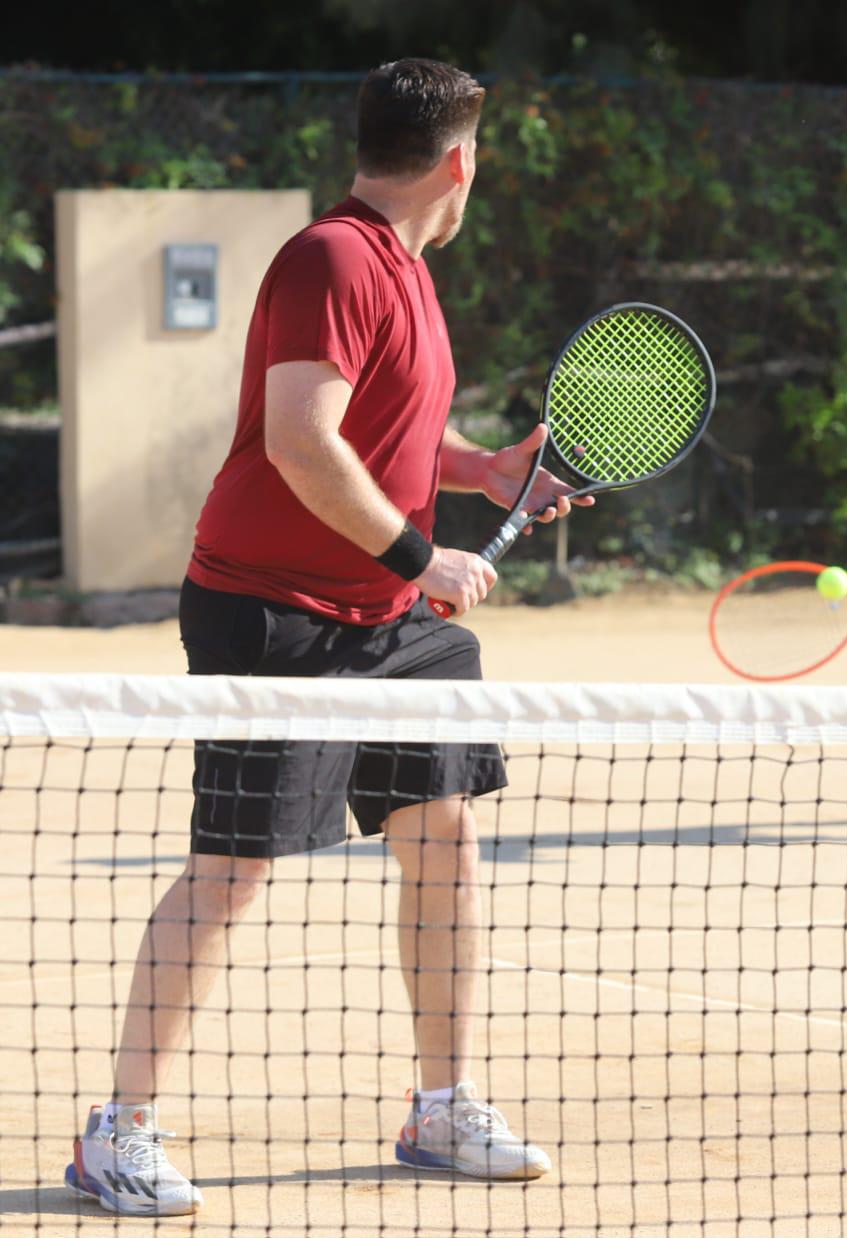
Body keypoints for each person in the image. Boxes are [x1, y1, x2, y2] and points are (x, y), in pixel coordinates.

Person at [64, 59, 589, 1216]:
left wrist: (480, 469)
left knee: (442, 842)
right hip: (273, 608)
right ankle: (119, 1129)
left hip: (391, 625)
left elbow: (384, 429)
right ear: (461, 161)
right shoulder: (334, 257)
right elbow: (304, 443)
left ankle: (441, 1103)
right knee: (235, 868)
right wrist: (424, 556)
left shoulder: (403, 271)